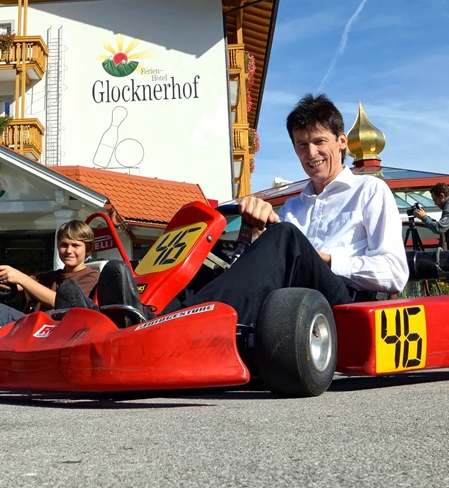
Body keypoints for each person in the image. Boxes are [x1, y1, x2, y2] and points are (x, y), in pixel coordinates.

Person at [59, 93, 409, 325]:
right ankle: (131, 312)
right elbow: (257, 271)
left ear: (341, 142)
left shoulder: (370, 191)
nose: (311, 153)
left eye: (319, 142)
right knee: (206, 263)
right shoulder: (293, 205)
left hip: (342, 301)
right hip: (290, 303)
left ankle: (173, 323)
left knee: (285, 236)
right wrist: (252, 232)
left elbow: (394, 273)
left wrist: (323, 258)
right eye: (302, 145)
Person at [409, 182, 449, 293]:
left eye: (435, 199)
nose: (435, 203)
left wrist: (424, 218)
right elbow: (444, 226)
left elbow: (439, 228)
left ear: (442, 196)